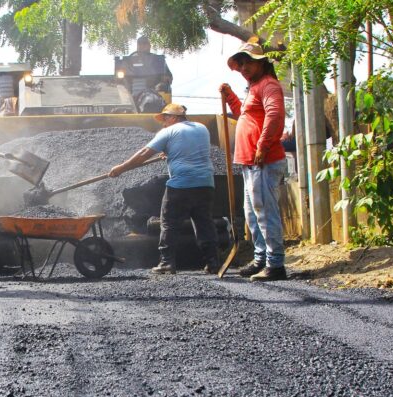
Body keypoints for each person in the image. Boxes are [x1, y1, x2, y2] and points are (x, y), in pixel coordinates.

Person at [110, 103, 219, 274]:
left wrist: (121, 168)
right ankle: (213, 262)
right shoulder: (201, 128)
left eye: (166, 118)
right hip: (206, 184)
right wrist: (170, 152)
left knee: (169, 223)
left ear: (174, 117)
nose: (164, 123)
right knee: (204, 223)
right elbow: (189, 149)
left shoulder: (168, 132)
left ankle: (167, 262)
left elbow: (144, 153)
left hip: (181, 185)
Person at [219, 41, 287, 281]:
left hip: (264, 161)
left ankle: (275, 264)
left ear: (262, 62)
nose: (244, 67)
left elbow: (275, 115)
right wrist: (230, 97)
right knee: (253, 214)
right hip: (250, 163)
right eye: (242, 63)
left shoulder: (268, 85)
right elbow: (244, 116)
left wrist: (262, 146)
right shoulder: (254, 88)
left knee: (265, 213)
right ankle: (261, 259)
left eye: (249, 61)